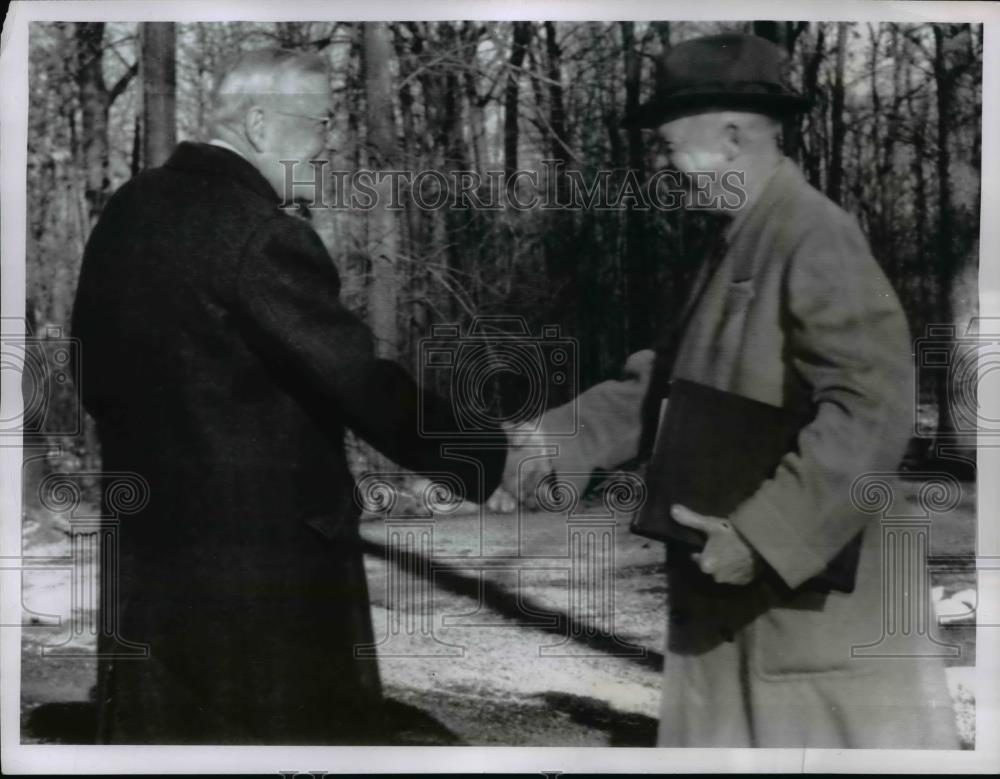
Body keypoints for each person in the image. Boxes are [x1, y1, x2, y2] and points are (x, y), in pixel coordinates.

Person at [500, 34, 959, 748]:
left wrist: (766, 536)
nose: (667, 166)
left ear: (734, 136)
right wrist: (551, 442)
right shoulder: (736, 239)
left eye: (673, 147)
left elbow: (872, 405)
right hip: (747, 606)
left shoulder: (813, 234)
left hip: (810, 614)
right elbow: (667, 381)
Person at [71, 48, 507, 744]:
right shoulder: (262, 232)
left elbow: (90, 376)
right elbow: (356, 380)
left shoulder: (128, 210)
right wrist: (485, 455)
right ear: (258, 123)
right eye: (322, 122)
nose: (329, 145)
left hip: (147, 560)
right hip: (266, 574)